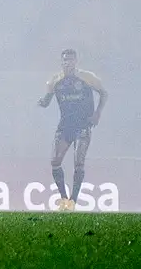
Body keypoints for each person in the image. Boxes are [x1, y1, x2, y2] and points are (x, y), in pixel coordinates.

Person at [38, 48, 106, 212]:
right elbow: (47, 100)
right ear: (61, 62)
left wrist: (97, 113)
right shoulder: (54, 81)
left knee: (78, 162)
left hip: (82, 125)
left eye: (70, 59)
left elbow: (104, 93)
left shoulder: (87, 77)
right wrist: (43, 101)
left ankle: (72, 202)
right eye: (65, 60)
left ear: (76, 61)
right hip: (65, 126)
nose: (67, 63)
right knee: (55, 161)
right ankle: (63, 199)